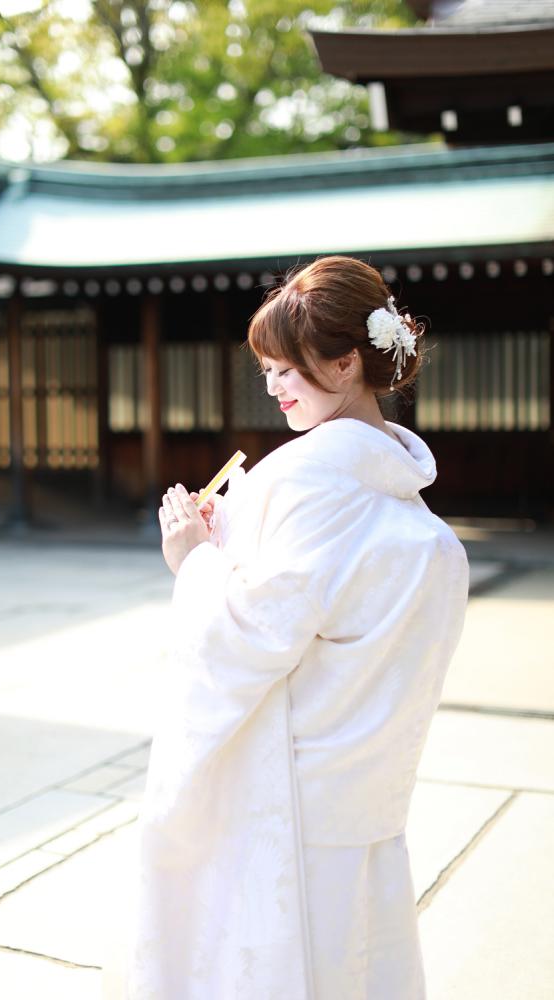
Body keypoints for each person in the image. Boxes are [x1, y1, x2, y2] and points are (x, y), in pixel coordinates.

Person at [121, 255, 469, 999]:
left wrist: (194, 561)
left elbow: (250, 634)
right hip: (366, 796)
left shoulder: (304, 477)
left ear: (347, 364)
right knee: (357, 960)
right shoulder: (414, 512)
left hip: (288, 798)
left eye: (288, 370)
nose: (273, 387)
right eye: (268, 369)